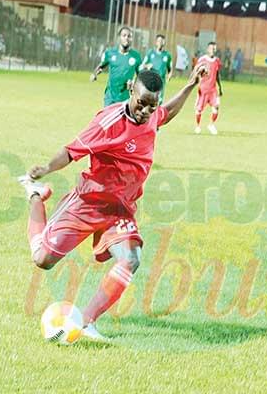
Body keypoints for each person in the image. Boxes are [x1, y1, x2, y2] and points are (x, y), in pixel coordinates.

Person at [18, 65, 208, 341]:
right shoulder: (109, 122)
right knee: (42, 260)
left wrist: (190, 85)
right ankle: (35, 195)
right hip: (88, 202)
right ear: (131, 89)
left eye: (150, 106)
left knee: (131, 259)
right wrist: (47, 167)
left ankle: (86, 322)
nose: (145, 111)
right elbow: (71, 152)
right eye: (141, 104)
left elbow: (166, 113)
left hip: (120, 209)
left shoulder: (152, 115)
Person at [91, 26, 143, 106]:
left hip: (126, 98)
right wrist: (94, 74)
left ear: (132, 39)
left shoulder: (136, 56)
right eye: (124, 35)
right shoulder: (110, 53)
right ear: (119, 37)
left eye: (129, 36)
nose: (126, 38)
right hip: (110, 97)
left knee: (122, 118)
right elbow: (101, 66)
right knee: (108, 118)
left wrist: (134, 83)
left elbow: (141, 76)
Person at [194, 42, 223, 135]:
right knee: (199, 110)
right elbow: (196, 72)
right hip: (203, 89)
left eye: (214, 49)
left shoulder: (217, 61)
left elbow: (217, 74)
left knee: (216, 107)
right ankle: (198, 126)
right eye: (211, 48)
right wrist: (196, 82)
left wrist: (220, 87)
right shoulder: (202, 60)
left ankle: (211, 125)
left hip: (213, 90)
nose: (213, 50)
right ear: (208, 49)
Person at [141, 34, 173, 103]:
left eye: (162, 41)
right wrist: (147, 66)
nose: (160, 43)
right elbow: (142, 65)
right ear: (156, 42)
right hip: (151, 80)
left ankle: (156, 113)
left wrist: (170, 74)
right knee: (148, 99)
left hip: (161, 81)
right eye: (158, 41)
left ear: (164, 42)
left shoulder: (167, 55)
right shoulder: (150, 53)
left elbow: (170, 68)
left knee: (158, 101)